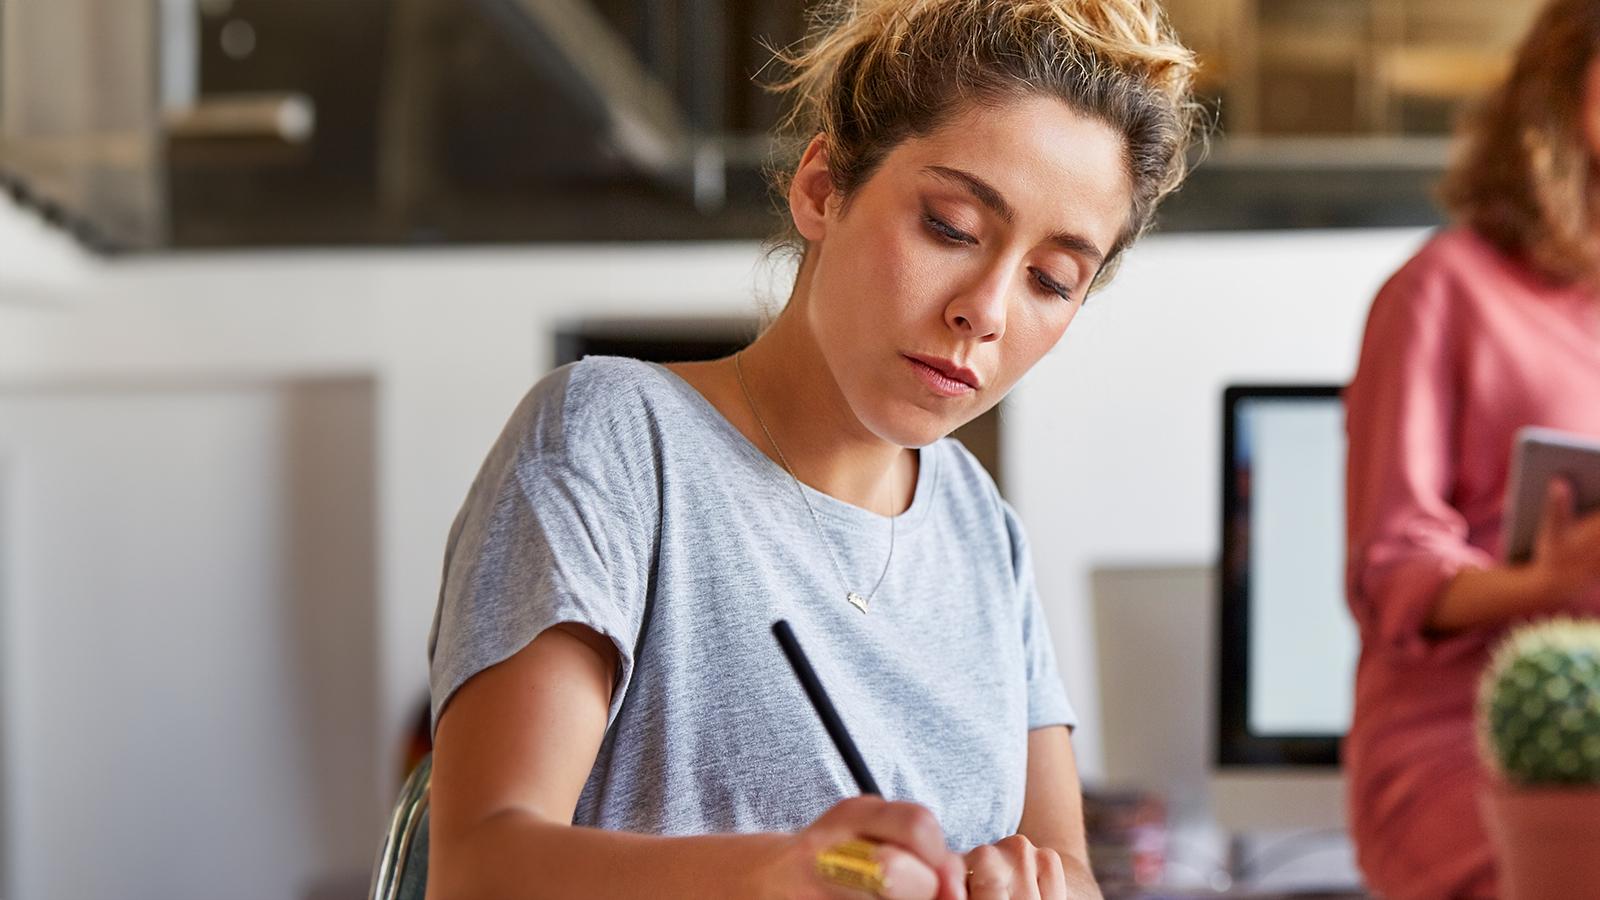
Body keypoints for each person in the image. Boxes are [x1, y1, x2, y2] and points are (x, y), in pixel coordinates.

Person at [424, 1, 1200, 897]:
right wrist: (788, 871)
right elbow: (479, 868)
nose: (985, 312)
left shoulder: (979, 525)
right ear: (822, 188)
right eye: (950, 226)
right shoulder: (614, 440)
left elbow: (1068, 869)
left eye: (1052, 280)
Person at [1343, 2, 1600, 896]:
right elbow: (1389, 569)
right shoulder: (1442, 288)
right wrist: (1541, 585)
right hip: (1474, 732)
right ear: (1565, 89)